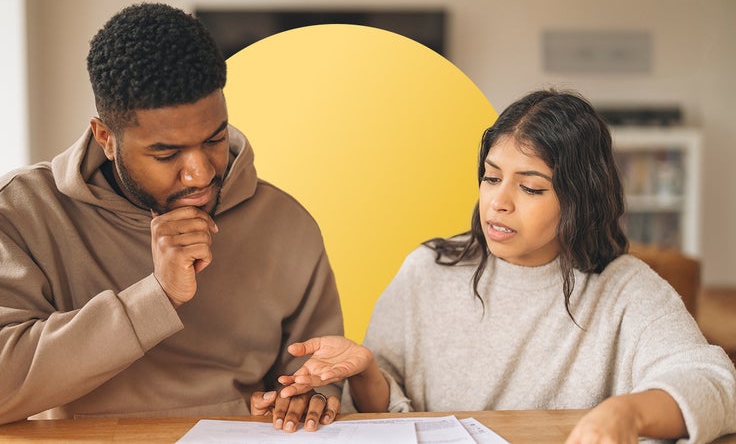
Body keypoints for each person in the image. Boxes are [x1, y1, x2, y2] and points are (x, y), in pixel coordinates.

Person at [253, 89, 736, 442]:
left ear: (581, 199)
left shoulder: (625, 288)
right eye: (490, 177)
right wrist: (366, 373)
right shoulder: (427, 270)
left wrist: (626, 414)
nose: (498, 203)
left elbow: (714, 383)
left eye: (529, 188)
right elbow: (384, 413)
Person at [0, 2, 343, 430]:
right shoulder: (20, 213)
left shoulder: (284, 221)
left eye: (214, 139)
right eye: (166, 153)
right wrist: (156, 297)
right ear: (106, 138)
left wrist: (315, 395)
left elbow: (312, 380)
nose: (201, 173)